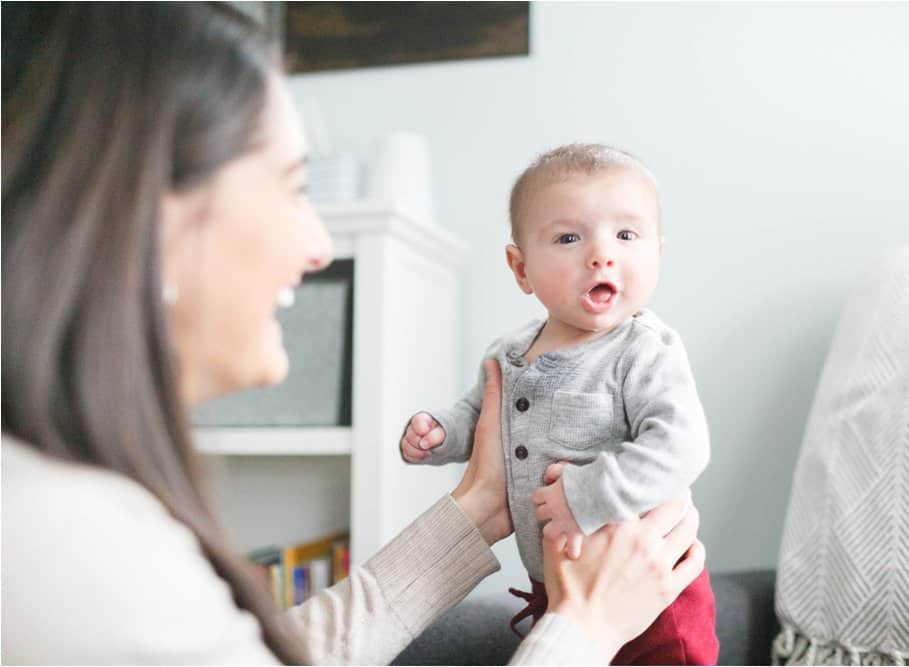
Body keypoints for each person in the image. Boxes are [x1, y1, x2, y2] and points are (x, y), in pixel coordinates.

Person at [1, 4, 705, 664]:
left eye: (626, 234)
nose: (317, 243)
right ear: (144, 213)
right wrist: (584, 628)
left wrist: (481, 506)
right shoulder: (61, 545)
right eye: (292, 186)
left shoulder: (78, 503)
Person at [400, 144, 719, 664]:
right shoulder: (509, 353)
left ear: (657, 254)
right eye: (569, 237)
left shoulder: (643, 350)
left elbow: (681, 447)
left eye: (626, 235)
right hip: (557, 591)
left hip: (651, 597)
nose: (601, 254)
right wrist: (440, 432)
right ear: (520, 267)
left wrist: (587, 494)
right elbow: (481, 418)